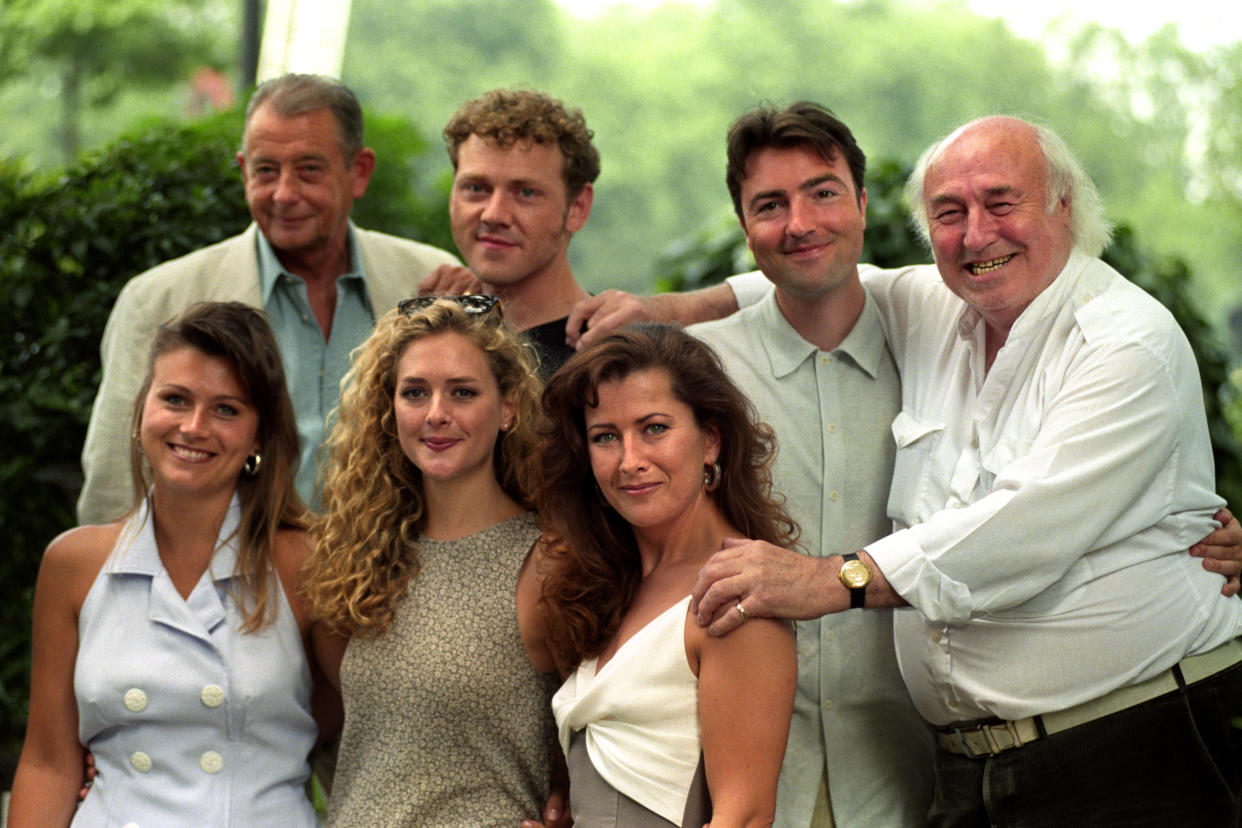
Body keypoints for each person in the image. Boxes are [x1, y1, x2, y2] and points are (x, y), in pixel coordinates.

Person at [692, 116, 1242, 825]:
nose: (976, 235)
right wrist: (668, 309)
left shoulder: (1126, 342)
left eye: (1001, 202)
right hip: (966, 774)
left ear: (1064, 205)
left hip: (1129, 753)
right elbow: (826, 271)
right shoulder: (936, 307)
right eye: (948, 213)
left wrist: (831, 579)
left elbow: (1025, 528)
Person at [688, 102, 934, 827]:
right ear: (743, 226)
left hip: (912, 775)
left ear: (862, 202)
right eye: (770, 204)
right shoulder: (697, 371)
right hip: (743, 780)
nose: (800, 223)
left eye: (823, 192)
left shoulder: (944, 356)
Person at [78, 73, 459, 522]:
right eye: (265, 171)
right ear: (243, 171)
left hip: (392, 577)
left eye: (308, 170)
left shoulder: (426, 284)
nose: (284, 193)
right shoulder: (160, 300)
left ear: (359, 172)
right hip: (217, 582)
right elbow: (116, 479)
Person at [11, 302, 337, 827]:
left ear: (259, 435)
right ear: (142, 409)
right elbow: (48, 762)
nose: (194, 426)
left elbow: (362, 718)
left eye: (226, 409)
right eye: (175, 399)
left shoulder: (307, 563)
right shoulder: (73, 563)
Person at [301, 296, 566, 827]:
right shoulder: (357, 560)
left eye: (463, 392)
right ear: (389, 407)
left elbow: (599, 745)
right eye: (415, 393)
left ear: (509, 407)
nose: (436, 414)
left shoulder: (550, 563)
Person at [538, 323, 798, 825]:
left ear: (711, 441)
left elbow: (743, 817)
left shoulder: (736, 591)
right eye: (605, 437)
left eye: (654, 428)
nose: (630, 461)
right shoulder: (608, 582)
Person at [434, 88, 600, 372]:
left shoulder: (609, 360)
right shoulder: (426, 345)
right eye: (476, 188)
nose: (494, 214)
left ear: (577, 208)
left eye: (525, 192)